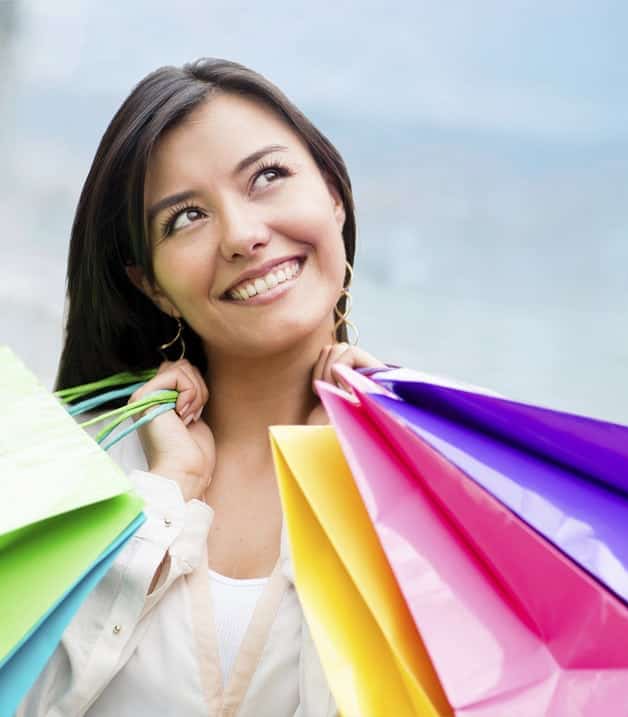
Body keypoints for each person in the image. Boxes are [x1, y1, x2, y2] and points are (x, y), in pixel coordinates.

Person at [20, 58, 386, 716]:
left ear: (333, 191)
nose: (243, 235)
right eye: (186, 217)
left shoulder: (435, 478)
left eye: (268, 177)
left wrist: (342, 498)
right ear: (150, 282)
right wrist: (167, 491)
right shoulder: (88, 473)